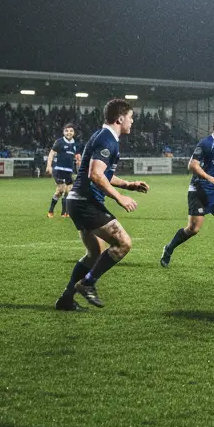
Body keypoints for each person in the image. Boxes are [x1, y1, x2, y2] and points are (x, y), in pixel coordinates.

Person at [57, 98, 149, 311]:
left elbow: (105, 174)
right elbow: (96, 175)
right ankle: (88, 284)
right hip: (86, 203)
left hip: (77, 202)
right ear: (120, 118)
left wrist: (128, 184)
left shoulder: (103, 136)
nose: (132, 122)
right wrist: (120, 197)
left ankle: (66, 299)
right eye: (131, 117)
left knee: (95, 253)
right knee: (123, 243)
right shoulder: (108, 140)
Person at [158, 115, 214, 269]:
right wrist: (210, 178)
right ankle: (169, 248)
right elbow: (192, 165)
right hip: (199, 190)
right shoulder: (206, 143)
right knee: (193, 229)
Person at [45, 123, 81, 218]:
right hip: (58, 170)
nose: (69, 132)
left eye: (71, 131)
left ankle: (64, 213)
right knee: (60, 190)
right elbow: (51, 153)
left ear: (74, 132)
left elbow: (78, 157)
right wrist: (49, 166)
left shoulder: (75, 144)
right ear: (63, 132)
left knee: (68, 191)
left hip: (68, 171)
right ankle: (50, 211)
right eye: (66, 130)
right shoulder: (59, 142)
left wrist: (79, 165)